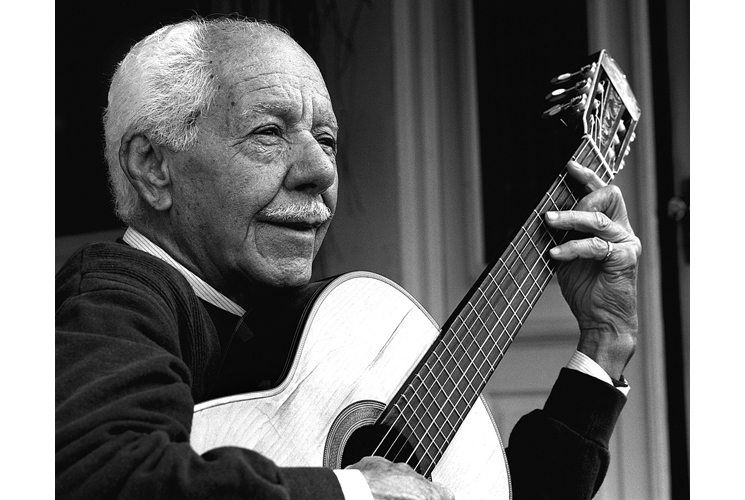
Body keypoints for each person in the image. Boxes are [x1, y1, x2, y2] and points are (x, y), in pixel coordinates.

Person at [55, 16, 641, 500]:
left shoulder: (315, 337)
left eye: (327, 140)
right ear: (153, 167)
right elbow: (101, 475)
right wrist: (358, 491)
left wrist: (604, 343)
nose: (321, 171)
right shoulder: (114, 293)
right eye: (269, 132)